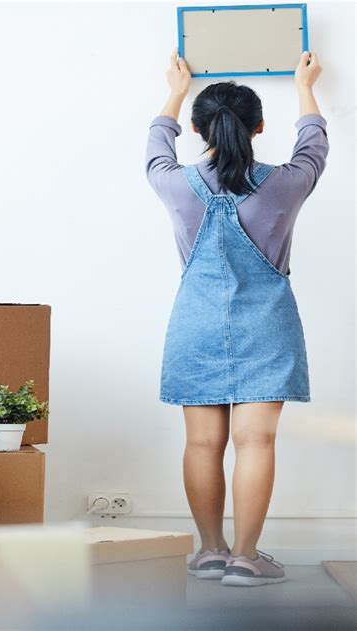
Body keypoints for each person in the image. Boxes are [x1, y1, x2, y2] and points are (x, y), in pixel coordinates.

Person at [145, 49, 329, 587]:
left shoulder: (174, 183)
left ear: (198, 130)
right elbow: (314, 145)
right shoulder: (286, 182)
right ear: (259, 127)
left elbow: (155, 146)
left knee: (202, 444)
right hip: (266, 327)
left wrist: (175, 92)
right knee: (257, 443)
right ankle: (246, 559)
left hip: (195, 326)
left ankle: (209, 552)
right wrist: (305, 86)